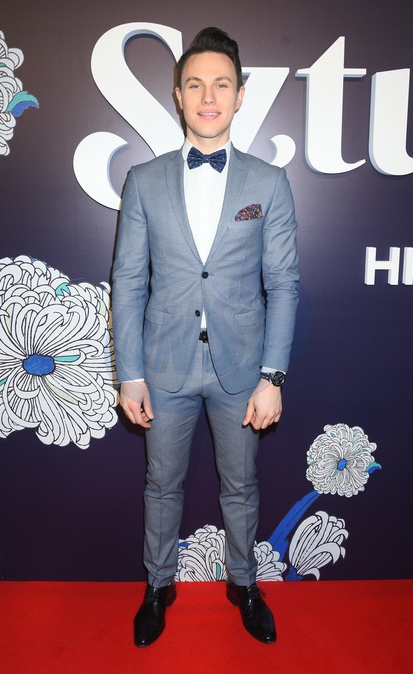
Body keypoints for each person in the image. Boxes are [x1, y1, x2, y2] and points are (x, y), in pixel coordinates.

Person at [112, 26, 299, 647]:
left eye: (221, 84)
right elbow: (127, 282)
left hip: (241, 369)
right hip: (163, 365)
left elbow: (284, 285)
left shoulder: (268, 183)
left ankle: (244, 583)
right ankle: (158, 585)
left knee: (241, 486)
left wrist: (272, 378)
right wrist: (129, 373)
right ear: (178, 96)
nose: (208, 96)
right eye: (195, 85)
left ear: (240, 96)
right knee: (161, 485)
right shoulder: (143, 180)